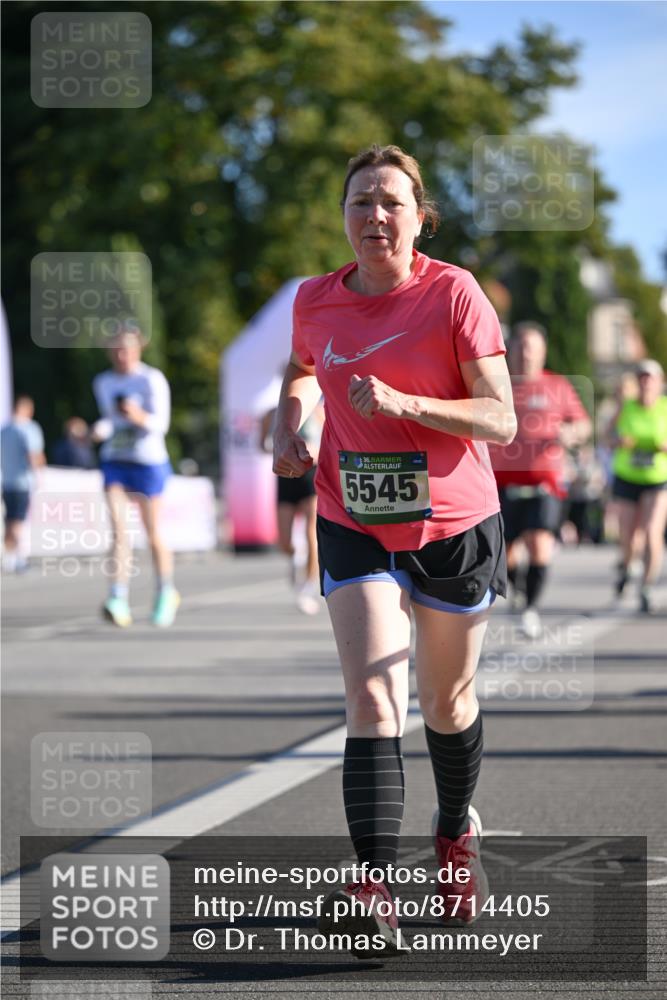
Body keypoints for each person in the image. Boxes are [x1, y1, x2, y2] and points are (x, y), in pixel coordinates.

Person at [272, 144, 516, 956]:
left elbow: (500, 419)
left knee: (446, 705)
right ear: (341, 216)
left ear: (419, 216)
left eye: (389, 202)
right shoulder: (315, 299)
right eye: (358, 202)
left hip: (452, 524)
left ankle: (454, 833)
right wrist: (288, 423)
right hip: (352, 517)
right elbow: (303, 367)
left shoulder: (453, 293)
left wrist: (409, 402)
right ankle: (370, 887)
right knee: (374, 701)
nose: (373, 216)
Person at [489, 322, 591, 638]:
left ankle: (529, 608)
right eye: (520, 346)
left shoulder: (558, 386)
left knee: (540, 546)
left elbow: (583, 424)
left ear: (543, 351)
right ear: (510, 350)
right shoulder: (495, 384)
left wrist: (572, 433)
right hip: (500, 483)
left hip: (544, 483)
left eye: (532, 346)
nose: (526, 353)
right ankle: (518, 591)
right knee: (506, 554)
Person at [91, 326, 179, 628]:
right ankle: (117, 596)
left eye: (126, 350)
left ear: (138, 349)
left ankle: (166, 591)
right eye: (115, 350)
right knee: (118, 530)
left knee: (152, 531)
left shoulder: (150, 379)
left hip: (148, 462)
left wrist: (138, 416)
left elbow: (162, 424)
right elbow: (109, 421)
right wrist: (97, 431)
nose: (120, 356)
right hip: (115, 460)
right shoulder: (102, 382)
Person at [607, 359, 667, 613]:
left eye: (650, 378)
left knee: (653, 532)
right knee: (630, 537)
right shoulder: (625, 407)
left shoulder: (665, 408)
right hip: (627, 477)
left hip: (657, 479)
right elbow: (607, 437)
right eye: (641, 378)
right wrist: (619, 440)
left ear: (659, 383)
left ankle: (646, 585)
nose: (645, 383)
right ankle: (627, 566)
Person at [260, 399, 324, 614]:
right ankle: (297, 559)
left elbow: (329, 444)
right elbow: (261, 444)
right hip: (286, 475)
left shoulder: (318, 411)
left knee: (311, 532)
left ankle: (309, 587)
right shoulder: (272, 413)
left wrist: (314, 450)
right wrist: (274, 446)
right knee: (284, 541)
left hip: (310, 474)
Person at [1, 396, 45, 573]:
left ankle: (9, 557)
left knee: (10, 519)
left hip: (7, 481)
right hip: (23, 481)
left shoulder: (4, 430)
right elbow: (33, 454)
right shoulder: (29, 428)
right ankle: (20, 558)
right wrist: (39, 474)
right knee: (19, 520)